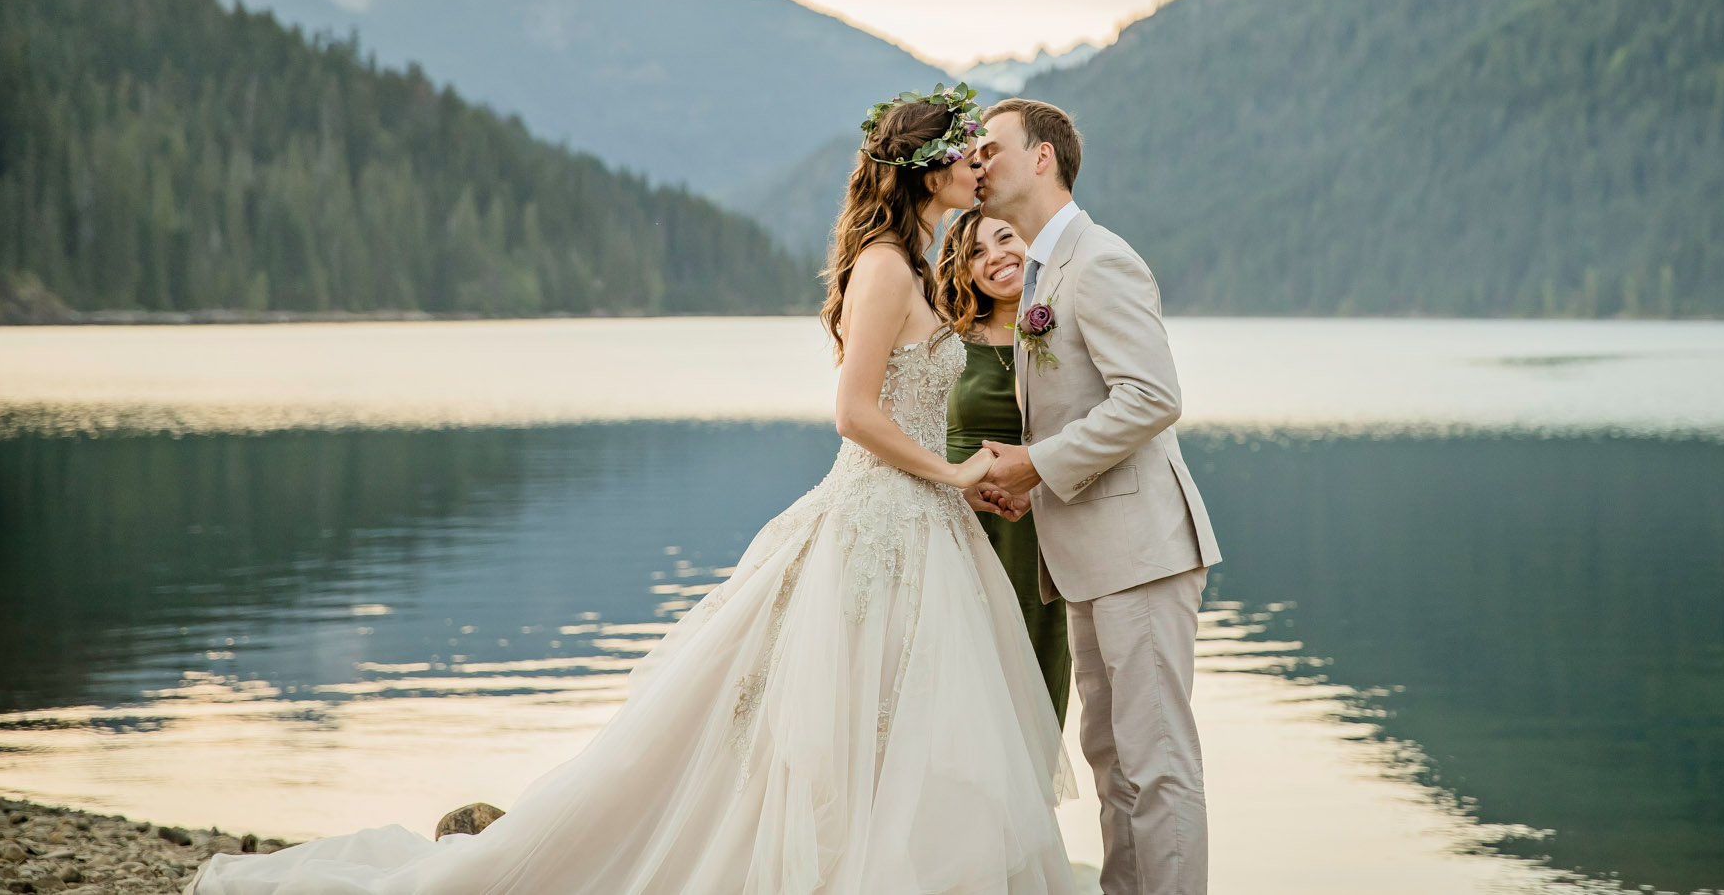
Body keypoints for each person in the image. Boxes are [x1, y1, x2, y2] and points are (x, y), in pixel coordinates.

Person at [188, 83, 1076, 895]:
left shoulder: (918, 263)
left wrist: (966, 483)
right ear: (925, 166)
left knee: (901, 723)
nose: (978, 166)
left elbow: (907, 410)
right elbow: (853, 413)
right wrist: (954, 469)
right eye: (965, 151)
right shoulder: (885, 265)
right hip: (875, 525)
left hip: (922, 526)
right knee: (833, 724)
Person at [971, 97, 1222, 895]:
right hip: (1085, 554)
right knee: (1111, 757)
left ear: (1041, 158)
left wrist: (1037, 465)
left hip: (1141, 550)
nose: (978, 163)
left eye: (992, 148)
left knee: (1158, 764)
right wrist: (1023, 481)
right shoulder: (1044, 270)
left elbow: (1151, 396)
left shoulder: (1101, 257)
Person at [938, 209, 1071, 726]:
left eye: (1004, 238)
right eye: (975, 251)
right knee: (959, 688)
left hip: (1039, 530)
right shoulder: (945, 340)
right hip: (959, 525)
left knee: (1034, 680)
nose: (995, 257)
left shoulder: (1063, 327)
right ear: (963, 269)